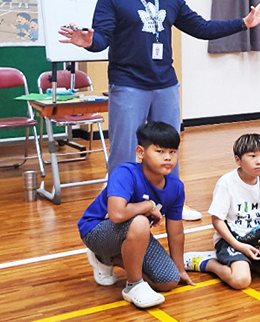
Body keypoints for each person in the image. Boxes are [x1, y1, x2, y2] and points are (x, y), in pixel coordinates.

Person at [59, 0, 260, 221]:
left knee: (169, 146)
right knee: (124, 151)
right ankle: (117, 206)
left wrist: (243, 23)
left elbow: (202, 28)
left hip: (165, 84)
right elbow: (101, 39)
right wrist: (88, 43)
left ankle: (173, 205)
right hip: (128, 84)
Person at [77, 121, 195, 309]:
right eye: (160, 151)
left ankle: (107, 259)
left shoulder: (176, 187)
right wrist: (148, 205)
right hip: (96, 232)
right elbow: (116, 214)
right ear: (140, 152)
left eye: (172, 152)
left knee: (168, 281)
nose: (168, 157)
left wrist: (180, 268)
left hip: (135, 233)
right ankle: (133, 285)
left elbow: (176, 231)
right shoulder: (125, 173)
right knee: (140, 222)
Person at [182, 134, 260, 288]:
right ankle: (209, 263)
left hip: (259, 240)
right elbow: (217, 220)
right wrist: (239, 246)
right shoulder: (226, 183)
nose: (259, 161)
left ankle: (250, 263)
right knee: (240, 280)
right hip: (232, 241)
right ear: (238, 160)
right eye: (252, 156)